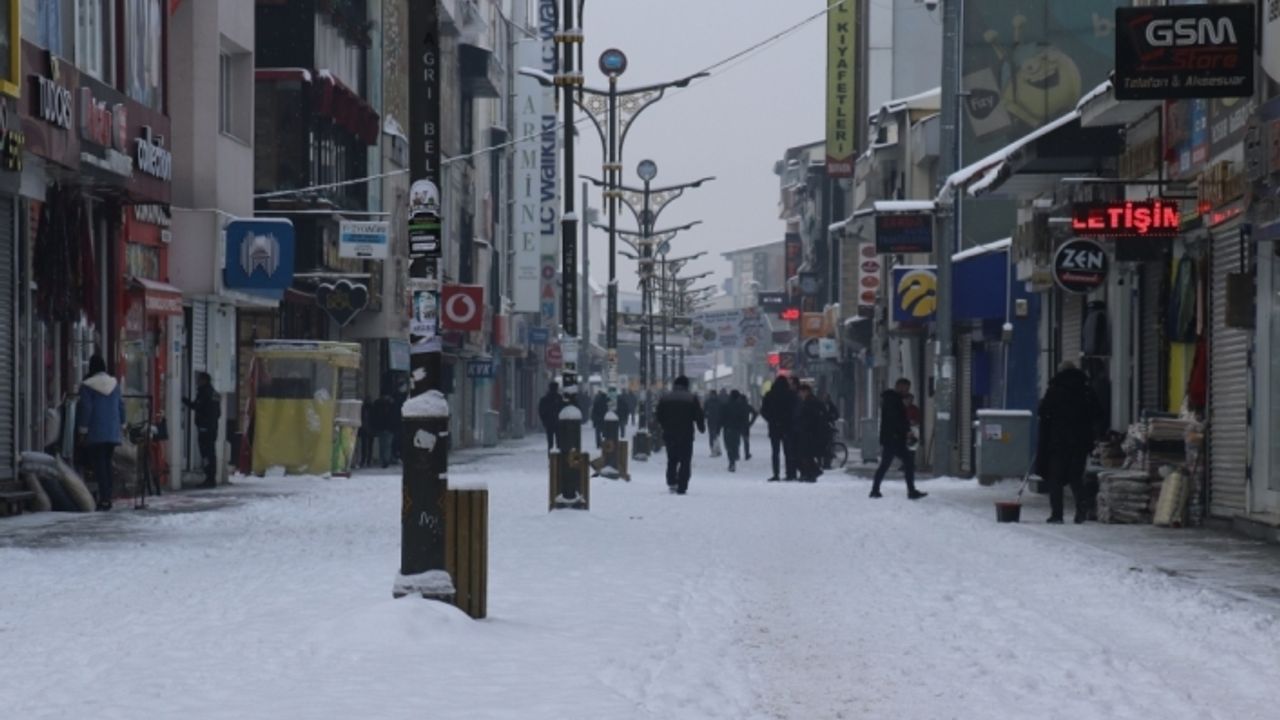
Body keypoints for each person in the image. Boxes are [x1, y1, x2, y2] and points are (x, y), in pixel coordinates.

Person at [1036, 362, 1102, 524]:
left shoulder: (1055, 390)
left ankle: (1057, 514)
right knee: (1076, 477)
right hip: (1080, 442)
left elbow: (1043, 412)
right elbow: (1098, 413)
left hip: (1058, 441)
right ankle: (1081, 510)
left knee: (1056, 478)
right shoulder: (1086, 391)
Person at [78, 355, 125, 510]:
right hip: (112, 431)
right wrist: (122, 424)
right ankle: (107, 495)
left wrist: (82, 429)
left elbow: (86, 408)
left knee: (99, 465)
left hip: (95, 431)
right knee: (107, 462)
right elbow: (121, 406)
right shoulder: (114, 384)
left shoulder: (87, 386)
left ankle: (104, 498)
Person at [870, 378, 927, 500]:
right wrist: (905, 431)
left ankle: (877, 490)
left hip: (894, 438)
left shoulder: (894, 399)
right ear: (899, 386)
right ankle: (876, 490)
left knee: (905, 463)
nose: (907, 392)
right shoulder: (892, 400)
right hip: (893, 438)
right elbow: (896, 420)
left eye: (908, 389)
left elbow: (899, 419)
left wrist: (905, 430)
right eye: (906, 389)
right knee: (890, 464)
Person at [655, 376, 706, 494]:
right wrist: (701, 427)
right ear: (686, 385)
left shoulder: (665, 398)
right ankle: (682, 485)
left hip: (670, 434)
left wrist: (665, 425)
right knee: (685, 460)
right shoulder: (692, 398)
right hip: (686, 434)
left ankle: (672, 481)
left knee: (672, 459)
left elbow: (659, 415)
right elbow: (698, 415)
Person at [183, 371, 222, 489]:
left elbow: (197, 406)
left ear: (204, 380)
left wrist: (184, 400)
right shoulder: (215, 393)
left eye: (199, 380)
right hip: (213, 427)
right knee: (211, 453)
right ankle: (211, 477)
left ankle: (209, 478)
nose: (197, 382)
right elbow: (218, 413)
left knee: (206, 453)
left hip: (205, 428)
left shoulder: (204, 393)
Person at [760, 376, 797, 482]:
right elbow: (796, 409)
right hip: (787, 427)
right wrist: (790, 419)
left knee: (775, 452)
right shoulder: (791, 395)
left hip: (774, 427)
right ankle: (790, 473)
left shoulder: (770, 395)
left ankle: (776, 474)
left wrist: (771, 419)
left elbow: (763, 411)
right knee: (788, 451)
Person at [796, 384, 828, 482]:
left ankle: (813, 472)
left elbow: (810, 418)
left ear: (806, 391)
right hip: (812, 432)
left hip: (810, 433)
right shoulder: (813, 401)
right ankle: (811, 473)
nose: (800, 394)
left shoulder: (810, 402)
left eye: (801, 392)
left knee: (806, 454)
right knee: (807, 455)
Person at [721, 390, 750, 472]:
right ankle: (735, 456)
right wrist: (744, 426)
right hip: (737, 429)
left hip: (727, 428)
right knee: (735, 444)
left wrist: (719, 427)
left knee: (729, 446)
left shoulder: (725, 405)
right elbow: (743, 418)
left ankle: (731, 462)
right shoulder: (740, 406)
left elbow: (722, 417)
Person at [371, 393, 397, 468]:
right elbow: (394, 417)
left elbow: (375, 416)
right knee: (387, 446)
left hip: (382, 428)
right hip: (389, 428)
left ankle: (384, 459)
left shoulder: (377, 404)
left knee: (382, 445)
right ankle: (386, 460)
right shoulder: (392, 405)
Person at [538, 382, 564, 451]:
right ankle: (559, 456)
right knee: (559, 442)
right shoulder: (560, 398)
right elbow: (563, 410)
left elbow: (541, 411)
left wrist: (544, 421)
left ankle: (551, 456)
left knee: (550, 442)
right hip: (558, 423)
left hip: (549, 423)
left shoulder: (544, 399)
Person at [704, 389, 723, 457]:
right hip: (711, 421)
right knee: (712, 436)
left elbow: (722, 411)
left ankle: (717, 450)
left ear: (715, 394)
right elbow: (704, 411)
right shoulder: (707, 402)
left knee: (716, 436)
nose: (712, 396)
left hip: (718, 421)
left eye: (713, 394)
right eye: (711, 394)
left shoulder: (719, 402)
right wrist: (705, 416)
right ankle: (713, 450)